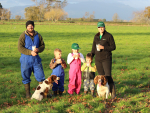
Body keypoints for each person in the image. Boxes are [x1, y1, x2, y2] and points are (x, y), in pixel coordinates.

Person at [18, 20, 45, 98]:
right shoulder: (23, 35)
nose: (30, 27)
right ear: (26, 27)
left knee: (40, 76)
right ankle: (28, 94)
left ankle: (41, 93)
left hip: (36, 59)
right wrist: (30, 52)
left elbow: (42, 45)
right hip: (25, 60)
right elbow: (20, 48)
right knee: (26, 76)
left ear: (34, 26)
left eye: (32, 25)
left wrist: (38, 49)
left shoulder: (38, 35)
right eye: (29, 25)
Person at [91, 21, 116, 99]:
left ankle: (113, 93)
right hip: (98, 59)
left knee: (107, 76)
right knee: (101, 77)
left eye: (102, 27)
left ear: (104, 27)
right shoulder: (96, 36)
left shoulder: (109, 36)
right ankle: (102, 93)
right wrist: (91, 56)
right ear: (97, 28)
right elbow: (93, 48)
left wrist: (104, 48)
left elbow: (113, 47)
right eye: (99, 27)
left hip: (106, 58)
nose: (100, 28)